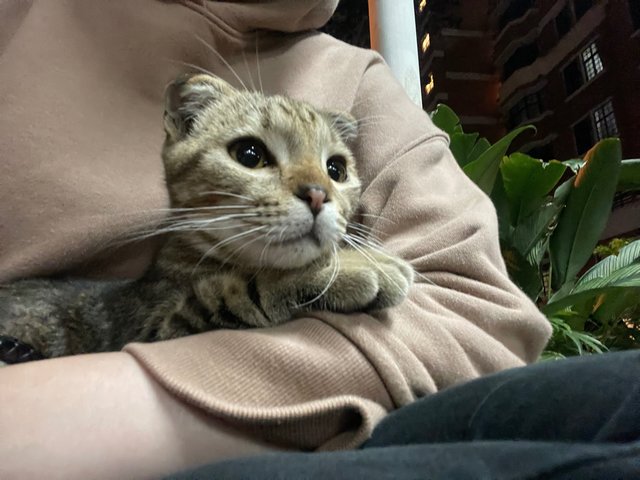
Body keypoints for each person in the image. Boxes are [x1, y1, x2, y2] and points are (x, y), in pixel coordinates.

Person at [1, 1, 635, 479]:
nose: (316, 195)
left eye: (334, 170)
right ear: (183, 130)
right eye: (252, 153)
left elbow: (484, 320)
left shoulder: (355, 74)